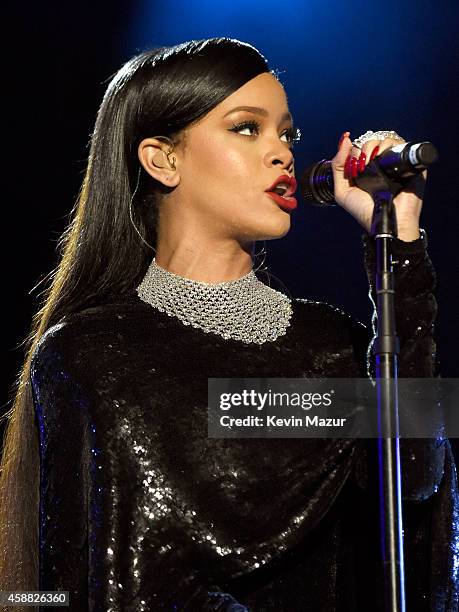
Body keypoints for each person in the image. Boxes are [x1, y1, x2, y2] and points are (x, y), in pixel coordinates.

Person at [0, 37, 457, 612]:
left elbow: (418, 484)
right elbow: (71, 582)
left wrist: (400, 243)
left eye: (286, 134)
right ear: (161, 158)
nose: (283, 153)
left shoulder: (333, 344)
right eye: (247, 128)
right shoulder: (95, 355)